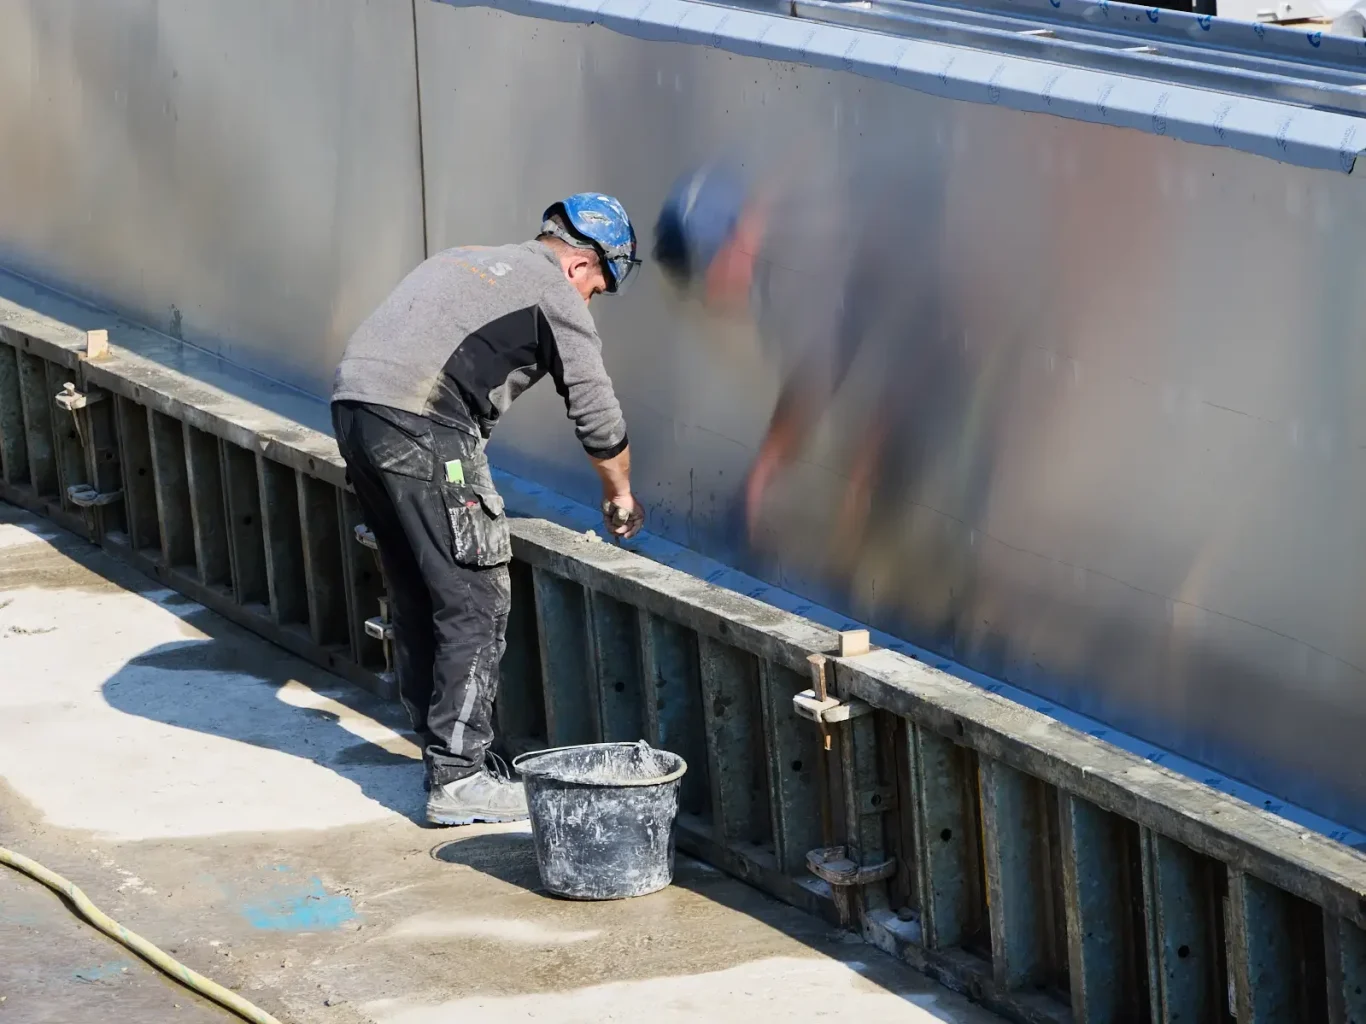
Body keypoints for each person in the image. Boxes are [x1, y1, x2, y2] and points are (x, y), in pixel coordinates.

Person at [331, 194, 646, 826]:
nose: (591, 300)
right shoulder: (553, 294)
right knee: (477, 592)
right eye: (598, 288)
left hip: (355, 411)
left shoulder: (467, 257)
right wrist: (620, 494)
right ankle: (459, 776)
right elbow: (595, 408)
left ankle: (436, 737)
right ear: (581, 264)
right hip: (423, 424)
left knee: (424, 582)